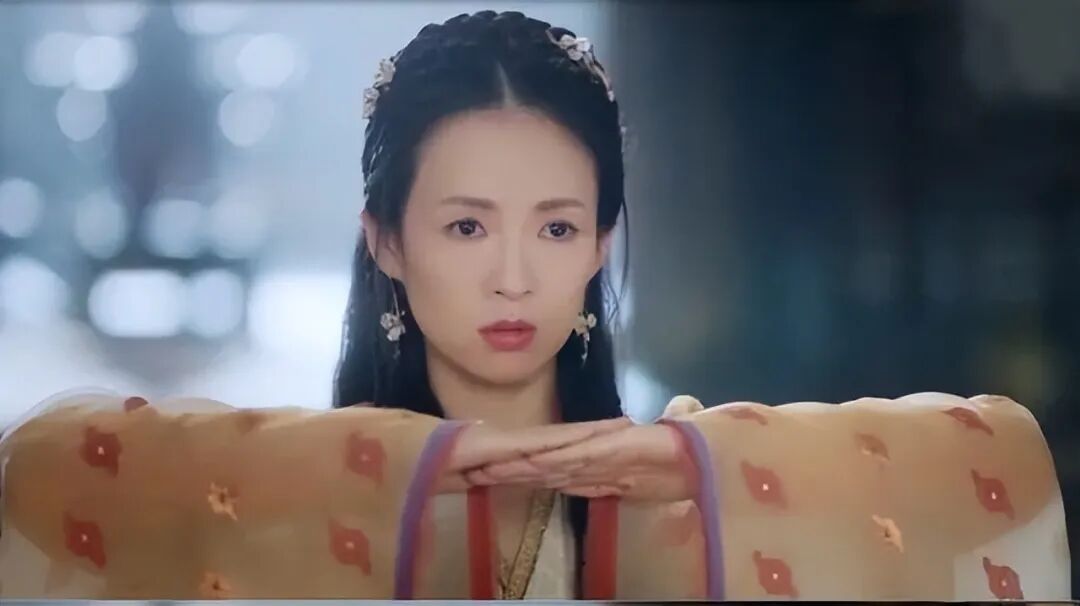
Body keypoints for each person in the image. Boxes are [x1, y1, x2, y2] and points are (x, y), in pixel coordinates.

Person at [0, 10, 1070, 601]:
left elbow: (990, 459)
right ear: (385, 238)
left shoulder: (694, 495)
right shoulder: (285, 499)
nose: (514, 278)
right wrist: (396, 471)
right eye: (467, 227)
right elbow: (50, 464)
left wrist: (695, 466)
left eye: (556, 229)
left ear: (602, 242)